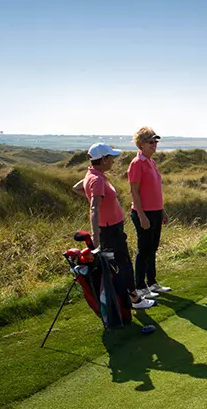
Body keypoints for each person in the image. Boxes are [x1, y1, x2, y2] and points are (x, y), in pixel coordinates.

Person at [71, 143, 155, 310]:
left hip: (110, 228)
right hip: (110, 230)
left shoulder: (93, 175)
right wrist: (95, 236)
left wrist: (94, 197)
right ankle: (136, 300)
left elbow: (76, 188)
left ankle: (127, 296)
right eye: (111, 158)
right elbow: (94, 208)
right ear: (103, 159)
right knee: (124, 264)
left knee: (118, 263)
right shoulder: (96, 179)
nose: (113, 161)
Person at [128, 127, 171, 300]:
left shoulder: (151, 162)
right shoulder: (137, 163)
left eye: (155, 142)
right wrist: (141, 215)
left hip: (155, 212)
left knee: (152, 248)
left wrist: (162, 212)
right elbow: (134, 192)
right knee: (143, 249)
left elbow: (155, 191)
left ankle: (152, 282)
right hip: (143, 213)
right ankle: (140, 286)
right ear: (141, 144)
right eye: (151, 142)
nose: (155, 145)